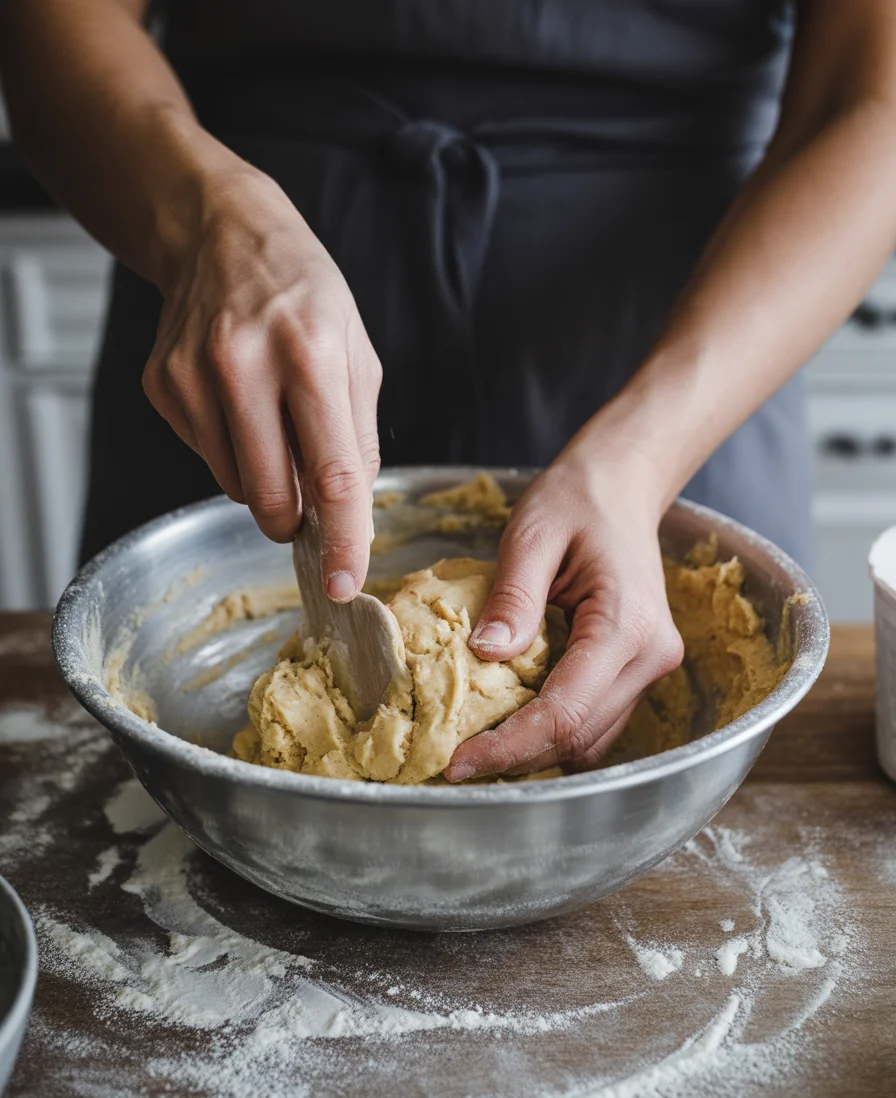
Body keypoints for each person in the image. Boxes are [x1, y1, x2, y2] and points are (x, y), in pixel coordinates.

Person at [2, 1, 895, 782]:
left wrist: (642, 461)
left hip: (693, 342)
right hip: (235, 322)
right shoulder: (209, 244)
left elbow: (871, 100)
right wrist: (202, 215)